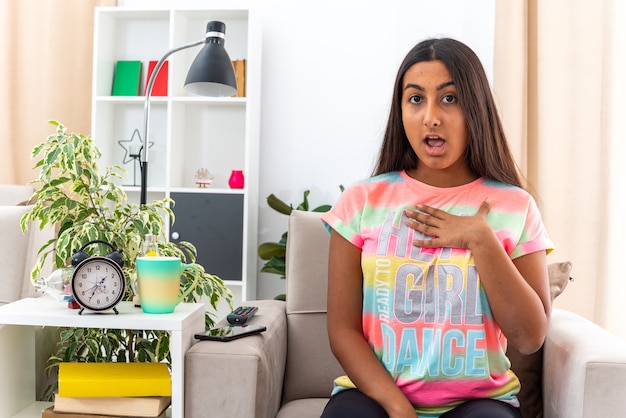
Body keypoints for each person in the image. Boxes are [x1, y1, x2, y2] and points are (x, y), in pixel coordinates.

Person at [319, 37, 553, 418]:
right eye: (415, 99)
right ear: (401, 111)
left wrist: (480, 239)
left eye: (449, 98)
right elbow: (343, 332)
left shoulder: (515, 206)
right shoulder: (361, 203)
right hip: (376, 399)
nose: (431, 116)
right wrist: (398, 408)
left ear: (475, 108)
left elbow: (529, 338)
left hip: (480, 403)